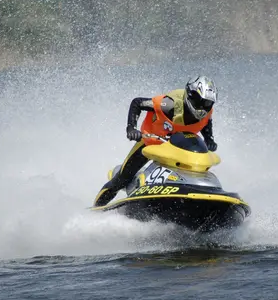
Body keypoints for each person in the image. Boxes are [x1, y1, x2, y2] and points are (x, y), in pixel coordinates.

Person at [93, 76, 219, 207]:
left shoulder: (207, 111)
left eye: (208, 104)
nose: (204, 108)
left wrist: (209, 139)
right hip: (151, 142)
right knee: (122, 179)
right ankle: (96, 208)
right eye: (202, 102)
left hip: (179, 149)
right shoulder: (168, 105)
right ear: (191, 96)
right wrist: (131, 128)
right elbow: (137, 103)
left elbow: (206, 122)